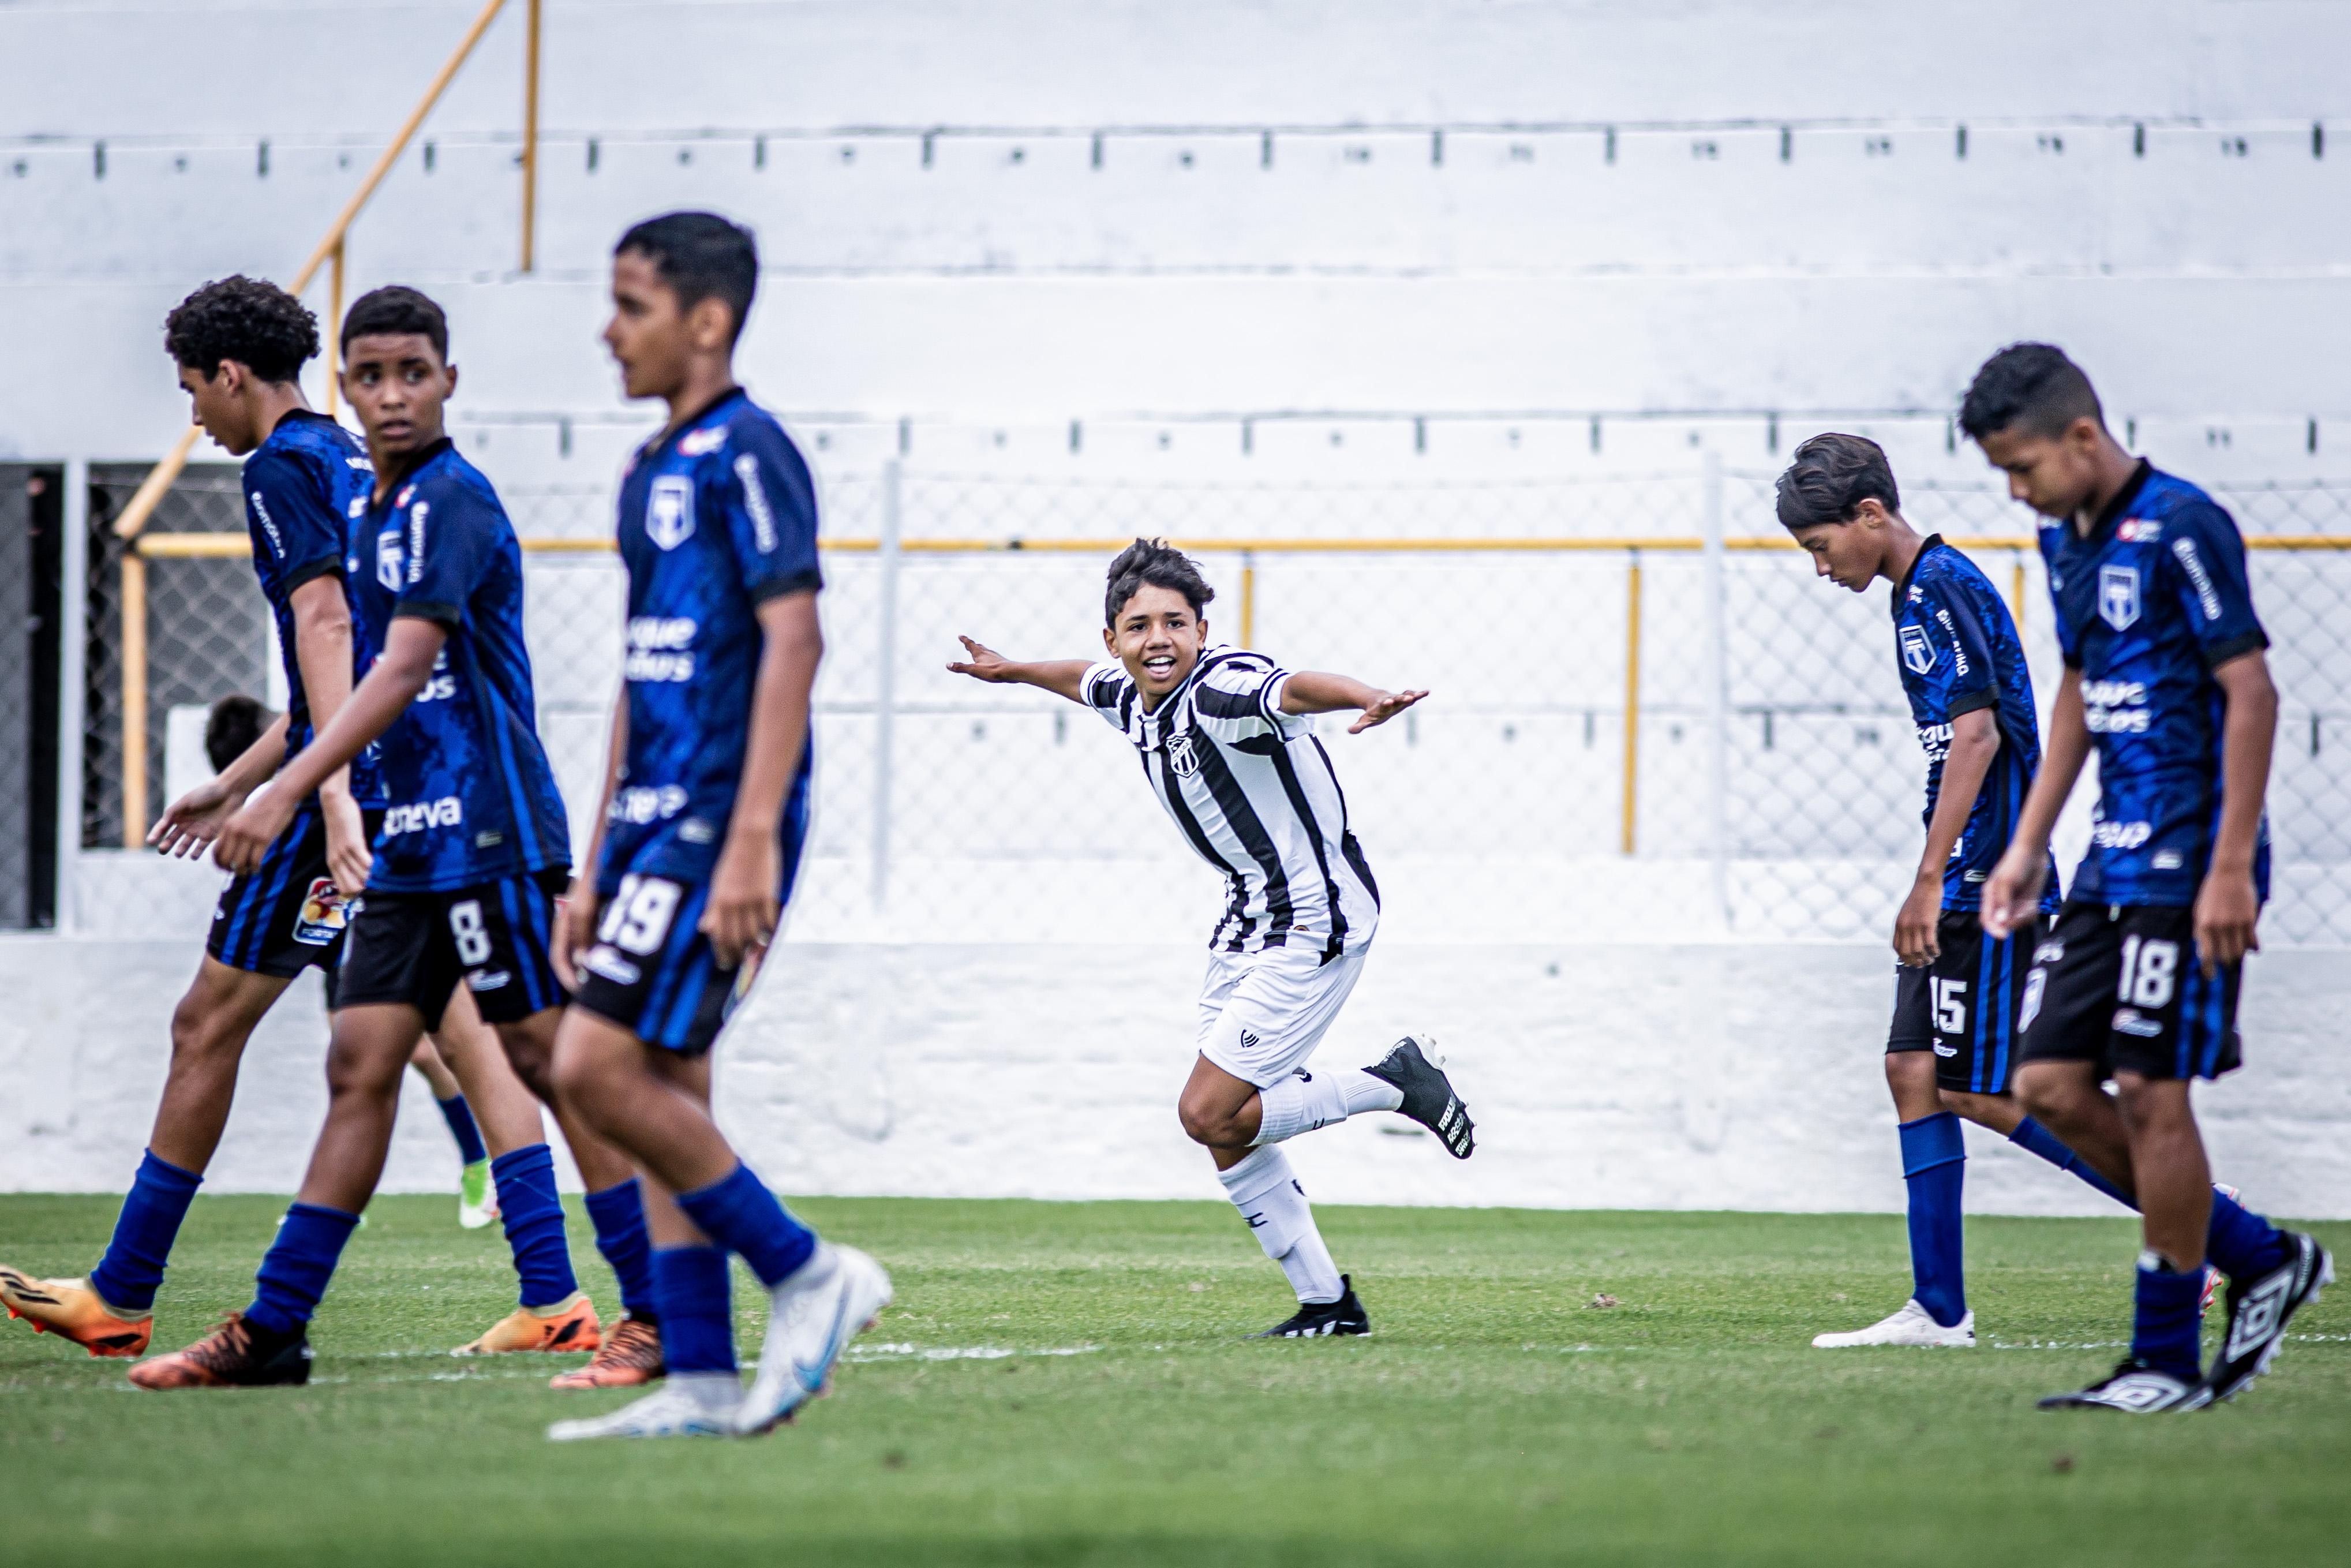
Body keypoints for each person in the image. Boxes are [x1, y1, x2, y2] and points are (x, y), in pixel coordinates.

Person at [125, 285, 661, 1391]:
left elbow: (399, 670)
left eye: (411, 372)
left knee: (550, 1064)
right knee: (362, 1061)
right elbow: (350, 674)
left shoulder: (449, 502)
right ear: (347, 387)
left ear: (446, 382)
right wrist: (258, 777)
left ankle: (654, 1313)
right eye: (370, 376)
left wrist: (291, 794)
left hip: (485, 827)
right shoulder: (367, 508)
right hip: (410, 836)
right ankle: (276, 1328)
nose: (390, 395)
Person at [0, 282, 526, 1357]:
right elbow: (350, 660)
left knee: (210, 1023)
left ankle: (124, 1289)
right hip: (413, 772)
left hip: (350, 790)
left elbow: (328, 626)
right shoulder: (345, 456)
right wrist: (242, 774)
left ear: (232, 374)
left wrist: (316, 794)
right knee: (461, 1032)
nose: (194, 413)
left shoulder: (281, 468)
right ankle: (557, 1291)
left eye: (193, 388)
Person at [546, 212, 889, 1442]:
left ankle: (807, 1270)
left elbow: (795, 637)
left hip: (715, 823)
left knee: (592, 1067)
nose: (608, 327)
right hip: (644, 824)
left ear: (707, 318)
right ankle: (696, 1380)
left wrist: (752, 835)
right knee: (669, 1080)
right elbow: (642, 675)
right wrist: (593, 859)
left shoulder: (752, 451)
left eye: (629, 303)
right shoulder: (647, 469)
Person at [948, 537, 1473, 1339]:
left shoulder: (1219, 689)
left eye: (1173, 622)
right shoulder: (1130, 694)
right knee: (1227, 1124)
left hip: (1314, 917)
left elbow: (1291, 689)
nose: (1156, 638)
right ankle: (1327, 1304)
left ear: (1201, 629)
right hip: (1246, 918)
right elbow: (1078, 681)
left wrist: (1364, 694)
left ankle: (1397, 1083)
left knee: (1207, 1110)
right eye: (1137, 626)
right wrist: (1011, 669)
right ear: (1114, 641)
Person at [1966, 343, 2331, 1412]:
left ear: (2080, 437)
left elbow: (2250, 694)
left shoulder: (2183, 523)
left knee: (2150, 1088)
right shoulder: (2061, 538)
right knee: (2042, 1086)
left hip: (2188, 859)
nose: (2015, 491)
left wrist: (2229, 866)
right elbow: (2079, 686)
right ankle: (2258, 1254)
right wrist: (2030, 841)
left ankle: (2162, 1359)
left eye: (2021, 467)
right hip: (2102, 858)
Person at [1777, 433, 2180, 1349]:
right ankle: (1938, 1308)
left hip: (1984, 879)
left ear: (1868, 516)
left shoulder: (1939, 589)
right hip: (1960, 873)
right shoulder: (1916, 594)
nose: (1819, 567)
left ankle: (2199, 1213)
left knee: (1986, 1091)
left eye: (1819, 545)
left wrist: (1928, 880)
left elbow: (1977, 738)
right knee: (1913, 1072)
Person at [218, 693, 503, 1230]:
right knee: (355, 1053)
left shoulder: (361, 745)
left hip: (383, 874)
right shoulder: (292, 793)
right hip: (330, 885)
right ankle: (336, 1197)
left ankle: (482, 1163)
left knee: (430, 1044)